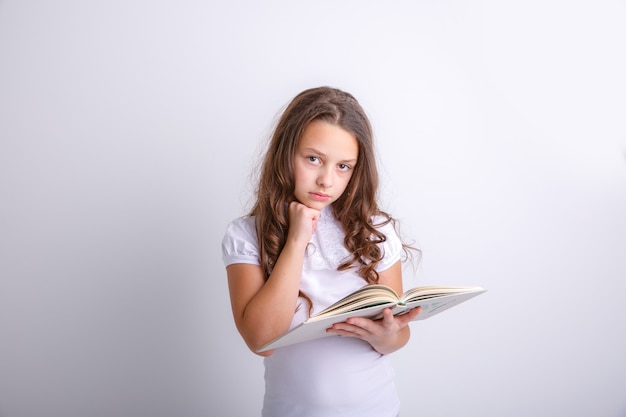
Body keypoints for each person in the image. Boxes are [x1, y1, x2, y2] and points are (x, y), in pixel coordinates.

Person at [221, 86, 420, 417]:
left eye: (344, 166)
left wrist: (387, 337)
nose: (327, 180)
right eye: (313, 159)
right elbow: (261, 341)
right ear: (287, 153)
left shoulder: (376, 231)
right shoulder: (246, 235)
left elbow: (397, 334)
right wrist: (297, 240)